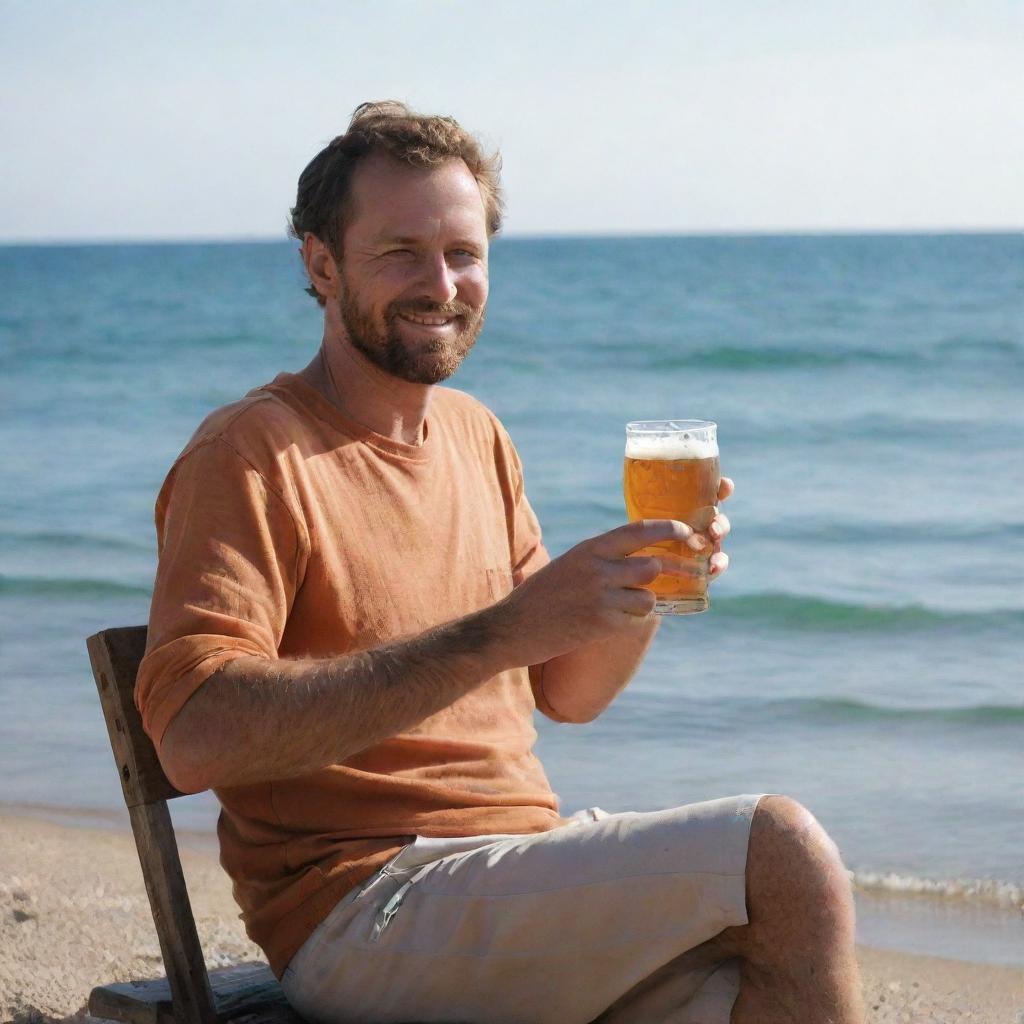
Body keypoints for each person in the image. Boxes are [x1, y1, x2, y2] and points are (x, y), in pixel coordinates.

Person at [137, 101, 865, 1024]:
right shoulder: (251, 453)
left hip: (509, 869)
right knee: (782, 852)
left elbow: (569, 693)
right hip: (363, 905)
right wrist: (501, 633)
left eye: (464, 253)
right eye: (400, 250)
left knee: (753, 991)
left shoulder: (476, 434)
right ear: (321, 265)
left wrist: (635, 588)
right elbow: (194, 736)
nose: (441, 284)